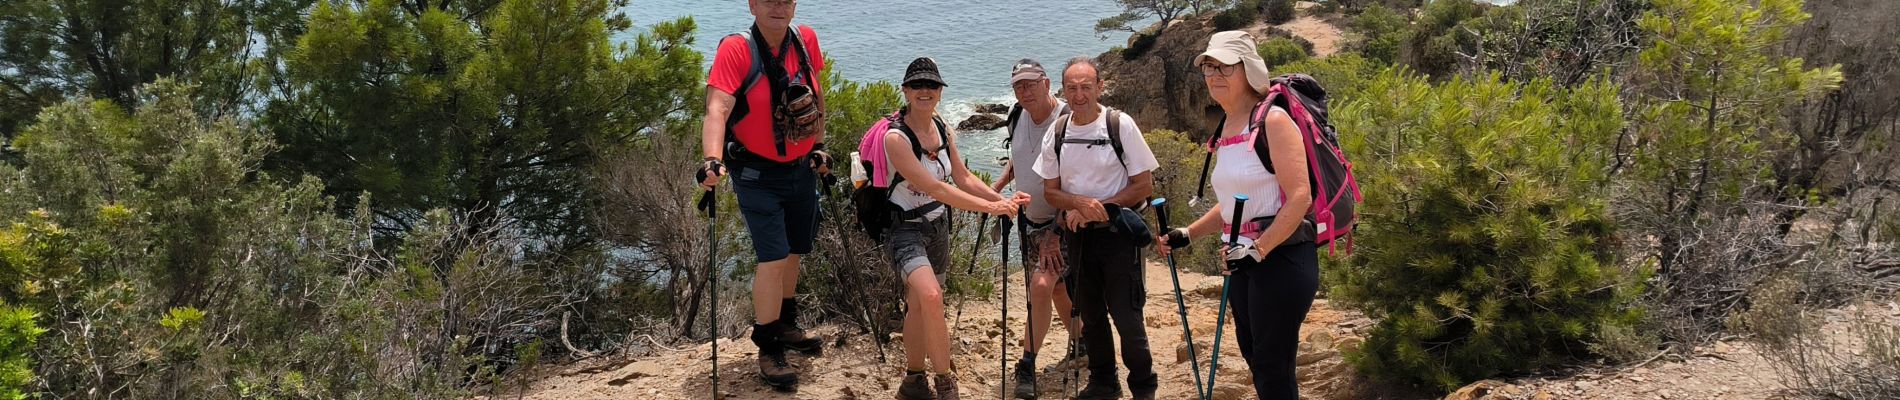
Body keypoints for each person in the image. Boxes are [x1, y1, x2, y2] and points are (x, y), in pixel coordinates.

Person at [1155, 31, 1319, 400]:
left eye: (1224, 67)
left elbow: (1299, 198)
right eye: (1208, 67)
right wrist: (1189, 233)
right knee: (1257, 360)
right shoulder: (1227, 126)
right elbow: (1231, 205)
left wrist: (1257, 249)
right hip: (1243, 262)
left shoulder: (1273, 122)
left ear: (1247, 70)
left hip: (1283, 258)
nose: (1213, 75)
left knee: (1273, 367)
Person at [695, 0, 832, 388]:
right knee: (772, 257)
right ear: (752, 4)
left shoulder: (805, 40)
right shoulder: (737, 48)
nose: (778, 7)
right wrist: (712, 158)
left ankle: (787, 324)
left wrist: (820, 144)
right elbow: (717, 109)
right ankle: (768, 344)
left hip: (801, 169)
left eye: (785, 0)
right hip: (756, 173)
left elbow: (817, 95)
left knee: (793, 250)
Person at [881, 57, 1031, 400]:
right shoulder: (895, 138)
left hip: (937, 227)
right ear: (905, 91)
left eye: (931, 85)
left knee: (920, 304)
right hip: (904, 230)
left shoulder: (943, 128)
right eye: (917, 85)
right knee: (931, 296)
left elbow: (961, 178)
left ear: (940, 92)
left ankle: (913, 380)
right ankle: (945, 381)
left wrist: (1001, 199)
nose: (925, 91)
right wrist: (990, 206)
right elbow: (937, 188)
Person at [1033, 56, 1162, 400]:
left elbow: (1143, 185)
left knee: (1126, 315)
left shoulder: (1119, 125)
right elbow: (1050, 190)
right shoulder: (1058, 132)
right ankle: (1104, 382)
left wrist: (1098, 210)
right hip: (1079, 238)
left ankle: (1143, 385)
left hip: (1119, 235)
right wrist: (1078, 205)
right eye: (1072, 88)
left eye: (1086, 87)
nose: (1079, 95)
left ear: (1099, 87)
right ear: (1063, 90)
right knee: (1090, 315)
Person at [988, 58, 1082, 400]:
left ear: (1046, 83)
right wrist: (996, 189)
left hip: (1063, 222)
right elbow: (1021, 157)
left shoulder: (1067, 122)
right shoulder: (1017, 116)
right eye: (1018, 85)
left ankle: (1026, 366)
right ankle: (1082, 341)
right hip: (1030, 222)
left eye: (1030, 83)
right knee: (1055, 291)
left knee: (1041, 286)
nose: (1024, 91)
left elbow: (1075, 181)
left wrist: (1055, 236)